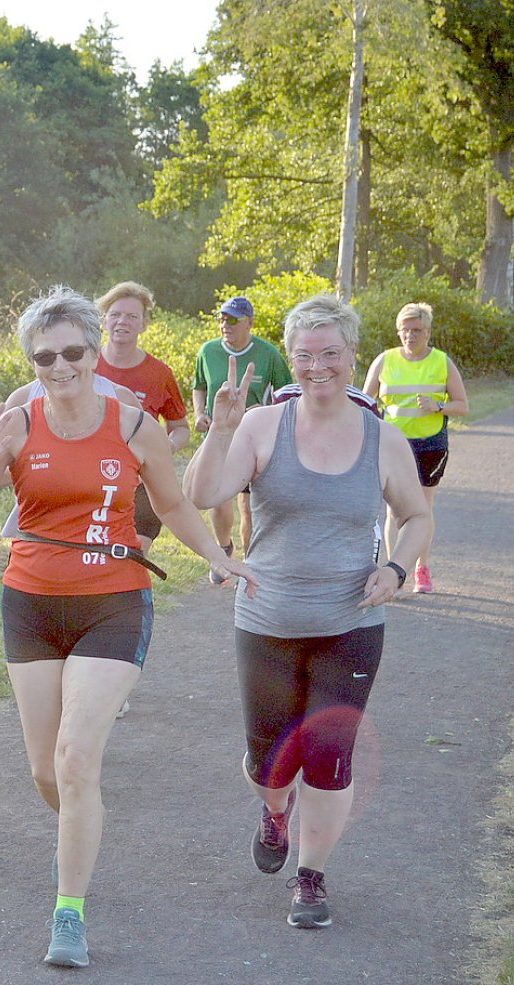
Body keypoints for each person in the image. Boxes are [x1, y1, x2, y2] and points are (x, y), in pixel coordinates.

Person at [0, 285, 255, 969]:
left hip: (113, 599)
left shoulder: (134, 424)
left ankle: (69, 913)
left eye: (71, 352)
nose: (58, 367)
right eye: (43, 356)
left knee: (75, 760)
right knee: (44, 770)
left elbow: (170, 503)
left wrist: (217, 557)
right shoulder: (16, 423)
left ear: (92, 350)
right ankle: (79, 828)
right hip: (30, 602)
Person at [183, 294, 432, 930]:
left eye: (330, 354)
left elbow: (417, 515)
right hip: (266, 620)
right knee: (270, 760)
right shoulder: (264, 426)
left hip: (351, 623)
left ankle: (311, 875)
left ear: (353, 356)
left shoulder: (383, 436)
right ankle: (273, 810)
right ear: (290, 359)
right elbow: (203, 493)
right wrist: (219, 428)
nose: (316, 366)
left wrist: (397, 569)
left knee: (329, 756)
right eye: (304, 355)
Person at [361, 302, 468, 593]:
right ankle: (393, 571)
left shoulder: (441, 362)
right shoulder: (385, 360)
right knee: (394, 509)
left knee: (422, 507)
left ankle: (422, 567)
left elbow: (462, 405)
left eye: (417, 330)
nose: (410, 335)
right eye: (405, 330)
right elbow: (364, 402)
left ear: (428, 332)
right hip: (392, 446)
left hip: (429, 444)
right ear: (398, 332)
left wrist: (439, 406)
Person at [193, 296, 293, 581]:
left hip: (254, 439)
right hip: (220, 436)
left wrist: (263, 411)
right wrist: (200, 413)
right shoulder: (208, 351)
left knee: (248, 508)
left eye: (233, 320)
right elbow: (199, 386)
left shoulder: (269, 354)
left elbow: (288, 395)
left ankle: (251, 567)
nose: (226, 325)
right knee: (217, 501)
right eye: (222, 319)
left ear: (250, 322)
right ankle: (224, 550)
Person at [92, 282, 190, 551]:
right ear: (104, 320)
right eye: (115, 315)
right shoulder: (83, 364)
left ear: (144, 324)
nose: (122, 322)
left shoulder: (159, 373)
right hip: (90, 476)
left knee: (134, 553)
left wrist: (164, 446)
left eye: (132, 316)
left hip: (141, 479)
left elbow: (181, 428)